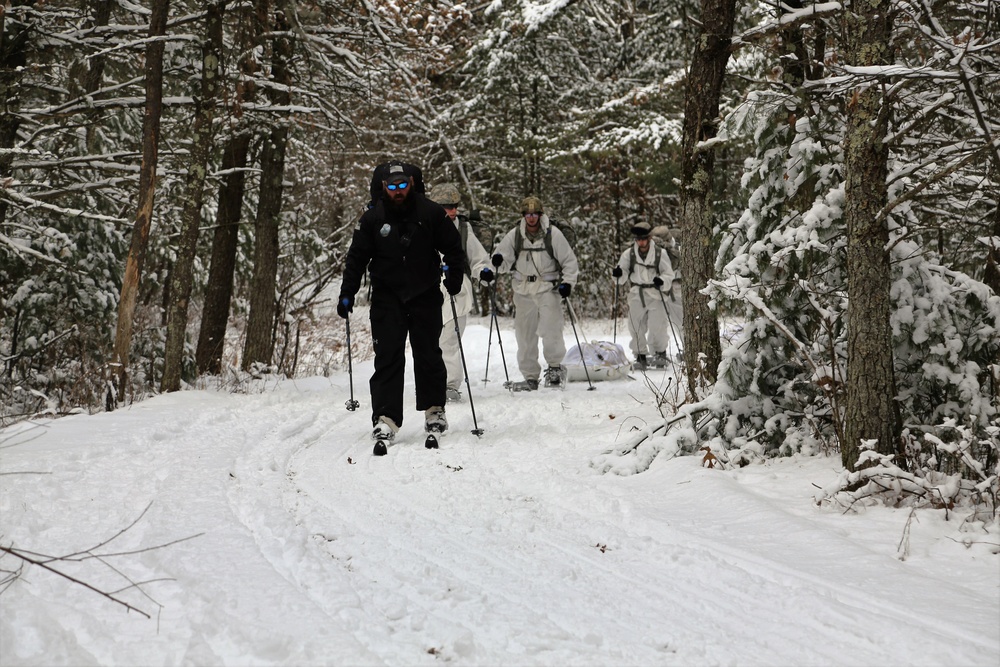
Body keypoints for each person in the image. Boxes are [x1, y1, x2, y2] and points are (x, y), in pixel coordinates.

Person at [337, 161, 466, 447]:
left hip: (425, 295)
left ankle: (435, 411)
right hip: (387, 298)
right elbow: (356, 258)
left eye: (402, 185)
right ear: (384, 187)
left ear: (412, 183)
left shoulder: (431, 212)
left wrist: (454, 276)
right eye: (392, 186)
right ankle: (385, 419)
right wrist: (347, 292)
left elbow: (454, 248)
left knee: (429, 354)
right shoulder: (372, 219)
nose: (398, 191)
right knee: (387, 358)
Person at [486, 196, 578, 391]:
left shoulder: (553, 235)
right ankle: (530, 376)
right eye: (528, 214)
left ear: (540, 215)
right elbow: (503, 260)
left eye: (535, 214)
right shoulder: (515, 235)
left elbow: (569, 261)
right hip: (523, 290)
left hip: (547, 289)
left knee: (551, 329)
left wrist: (568, 283)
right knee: (524, 334)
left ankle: (554, 368)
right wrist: (496, 263)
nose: (531, 218)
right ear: (523, 216)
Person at [428, 183, 491, 403]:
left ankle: (450, 385)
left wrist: (484, 272)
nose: (453, 211)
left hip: (457, 291)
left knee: (449, 341)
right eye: (447, 206)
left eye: (454, 206)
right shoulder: (421, 225)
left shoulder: (464, 229)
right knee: (429, 341)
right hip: (427, 289)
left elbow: (478, 258)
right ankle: (432, 383)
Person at [611, 221, 675, 370]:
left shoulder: (660, 253)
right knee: (635, 325)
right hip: (636, 293)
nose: (641, 242)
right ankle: (640, 356)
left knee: (657, 325)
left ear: (649, 238)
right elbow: (622, 274)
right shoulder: (629, 254)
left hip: (656, 294)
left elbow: (668, 274)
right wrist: (618, 274)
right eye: (638, 239)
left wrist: (662, 280)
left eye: (644, 239)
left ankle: (660, 353)